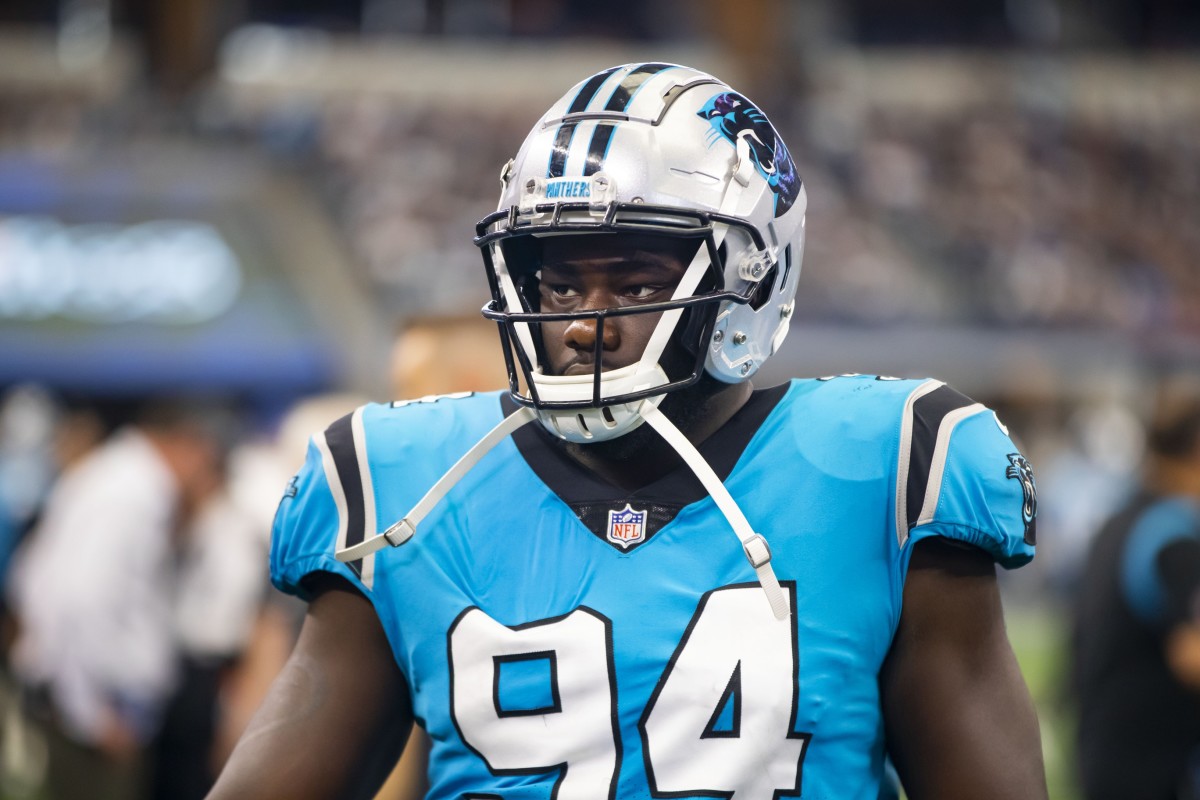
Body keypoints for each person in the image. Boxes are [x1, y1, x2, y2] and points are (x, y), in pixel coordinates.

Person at [208, 63, 1047, 799]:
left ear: (752, 281)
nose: (584, 323)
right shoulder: (403, 484)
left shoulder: (883, 468)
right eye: (561, 285)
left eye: (639, 282)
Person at [7, 397, 231, 800]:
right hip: (96, 720)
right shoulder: (134, 493)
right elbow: (78, 598)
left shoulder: (114, 477)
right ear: (187, 444)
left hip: (81, 708)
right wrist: (92, 715)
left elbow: (31, 580)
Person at [1071, 387, 1200, 800]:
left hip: (1102, 749)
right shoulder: (1175, 534)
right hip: (1153, 764)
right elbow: (1190, 656)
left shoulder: (1120, 519)